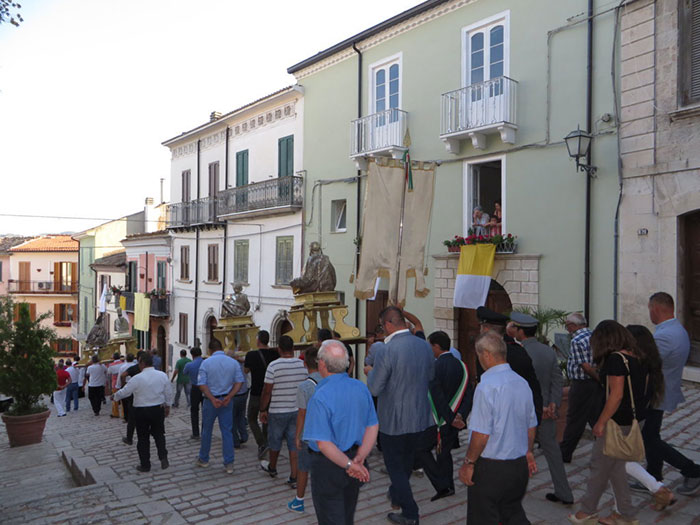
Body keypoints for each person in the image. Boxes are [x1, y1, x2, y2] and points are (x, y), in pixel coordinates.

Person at [459, 332, 538, 524]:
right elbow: (531, 425)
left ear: (486, 355)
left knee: (483, 517)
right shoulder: (522, 383)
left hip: (492, 468)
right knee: (512, 514)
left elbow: (481, 434)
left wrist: (469, 463)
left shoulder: (487, 386)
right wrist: (528, 453)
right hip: (517, 466)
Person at [570, 320, 643, 524]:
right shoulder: (634, 356)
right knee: (616, 470)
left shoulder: (615, 359)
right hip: (629, 420)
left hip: (615, 422)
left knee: (598, 467)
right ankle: (626, 514)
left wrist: (601, 422)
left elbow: (616, 395)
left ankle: (586, 512)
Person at [367, 306, 434, 525]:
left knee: (396, 467)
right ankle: (397, 494)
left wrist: (370, 372)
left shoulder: (387, 350)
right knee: (404, 465)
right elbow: (431, 376)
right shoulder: (424, 345)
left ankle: (411, 513)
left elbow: (375, 389)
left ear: (388, 324)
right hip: (420, 417)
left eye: (381, 326)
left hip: (393, 420)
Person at [303, 340, 379, 525]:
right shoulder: (360, 387)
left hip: (328, 466)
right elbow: (372, 425)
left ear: (322, 363)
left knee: (331, 517)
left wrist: (349, 465)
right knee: (346, 515)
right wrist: (359, 457)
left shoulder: (320, 396)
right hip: (355, 457)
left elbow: (323, 443)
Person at [511, 312, 573, 506]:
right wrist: (552, 403)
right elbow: (557, 379)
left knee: (517, 451)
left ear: (520, 331)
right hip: (546, 410)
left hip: (523, 412)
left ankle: (512, 494)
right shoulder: (547, 351)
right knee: (553, 452)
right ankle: (565, 492)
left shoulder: (517, 353)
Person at [644, 292, 700, 495]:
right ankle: (653, 476)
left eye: (649, 308)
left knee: (648, 438)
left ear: (656, 309)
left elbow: (648, 364)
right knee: (650, 435)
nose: (649, 312)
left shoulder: (664, 336)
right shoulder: (678, 329)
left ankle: (691, 470)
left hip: (656, 393)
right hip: (663, 390)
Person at [415, 331, 470, 502]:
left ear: (436, 346)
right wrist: (460, 415)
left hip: (439, 420)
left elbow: (437, 396)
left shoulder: (435, 367)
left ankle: (442, 485)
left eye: (430, 346)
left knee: (422, 449)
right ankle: (447, 486)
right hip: (456, 419)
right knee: (444, 453)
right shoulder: (462, 365)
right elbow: (468, 393)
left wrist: (449, 417)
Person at [475, 307, 543, 424]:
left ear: (486, 329)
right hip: (524, 415)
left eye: (481, 328)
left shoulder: (487, 353)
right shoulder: (520, 350)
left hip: (499, 418)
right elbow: (533, 385)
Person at [259, 335, 308, 486]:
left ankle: (272, 467)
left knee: (275, 440)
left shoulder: (273, 366)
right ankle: (293, 476)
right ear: (293, 349)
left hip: (278, 410)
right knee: (294, 443)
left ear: (279, 349)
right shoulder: (302, 365)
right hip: (297, 410)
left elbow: (267, 391)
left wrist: (262, 409)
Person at [113, 352, 173, 473]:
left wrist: (115, 396)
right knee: (159, 434)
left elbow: (126, 391)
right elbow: (168, 392)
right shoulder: (162, 375)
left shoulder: (137, 378)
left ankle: (145, 464)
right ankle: (163, 456)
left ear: (142, 363)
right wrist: (168, 406)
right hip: (157, 409)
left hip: (141, 411)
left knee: (143, 438)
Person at [196, 338, 245, 474]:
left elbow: (201, 384)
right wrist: (229, 396)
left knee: (207, 430)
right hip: (226, 401)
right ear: (222, 348)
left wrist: (212, 398)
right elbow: (239, 382)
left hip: (210, 401)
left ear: (210, 350)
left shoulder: (206, 363)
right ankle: (229, 463)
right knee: (227, 431)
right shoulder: (233, 362)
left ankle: (204, 458)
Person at [560, 312, 604, 464]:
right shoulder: (594, 335)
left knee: (575, 419)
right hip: (594, 384)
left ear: (573, 325)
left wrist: (598, 378)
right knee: (596, 417)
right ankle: (606, 450)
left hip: (582, 384)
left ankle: (565, 453)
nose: (567, 330)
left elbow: (585, 366)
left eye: (567, 326)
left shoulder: (577, 340)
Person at [288, 346, 322, 514]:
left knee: (303, 467)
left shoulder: (304, 386)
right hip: (326, 433)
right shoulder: (329, 381)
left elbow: (302, 413)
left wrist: (297, 436)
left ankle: (299, 500)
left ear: (305, 364)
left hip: (309, 433)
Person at [244, 330, 279, 458]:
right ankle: (266, 442)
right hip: (270, 391)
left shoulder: (251, 355)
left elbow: (246, 370)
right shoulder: (275, 354)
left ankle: (261, 443)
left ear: (258, 340)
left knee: (252, 418)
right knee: (267, 418)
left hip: (256, 392)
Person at [183, 346, 204, 439]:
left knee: (194, 411)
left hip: (195, 388)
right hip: (205, 388)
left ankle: (195, 433)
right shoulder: (205, 362)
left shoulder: (189, 365)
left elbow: (184, 372)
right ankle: (205, 431)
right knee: (205, 411)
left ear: (192, 355)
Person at [232, 356, 249, 449]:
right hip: (243, 393)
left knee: (232, 419)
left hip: (234, 395)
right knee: (241, 416)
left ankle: (235, 441)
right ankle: (244, 436)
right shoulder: (243, 363)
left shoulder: (230, 365)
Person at [108, 353, 124, 418]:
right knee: (123, 399)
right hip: (122, 382)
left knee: (115, 399)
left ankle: (115, 413)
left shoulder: (111, 365)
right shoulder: (123, 363)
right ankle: (123, 413)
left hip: (114, 383)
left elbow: (109, 373)